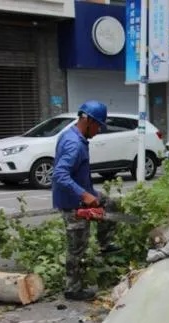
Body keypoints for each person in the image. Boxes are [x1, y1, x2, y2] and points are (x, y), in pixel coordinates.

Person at [52, 100, 121, 301]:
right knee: (77, 247)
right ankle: (73, 289)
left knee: (110, 204)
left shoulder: (75, 136)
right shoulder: (74, 143)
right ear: (88, 120)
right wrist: (85, 196)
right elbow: (60, 175)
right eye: (98, 125)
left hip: (82, 193)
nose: (98, 130)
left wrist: (91, 195)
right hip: (72, 202)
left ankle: (105, 243)